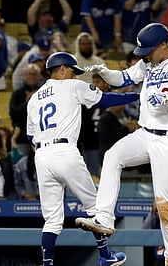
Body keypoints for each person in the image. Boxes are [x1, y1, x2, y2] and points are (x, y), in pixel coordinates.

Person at [75, 23, 168, 266]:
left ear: (163, 45)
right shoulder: (148, 63)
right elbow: (124, 78)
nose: (144, 54)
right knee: (113, 156)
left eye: (149, 49)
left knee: (165, 205)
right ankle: (104, 218)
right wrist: (105, 73)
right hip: (146, 133)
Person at [27, 51, 140, 266]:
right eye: (73, 71)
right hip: (65, 151)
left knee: (51, 219)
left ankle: (47, 263)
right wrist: (136, 96)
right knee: (97, 208)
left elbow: (30, 137)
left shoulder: (34, 99)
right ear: (61, 69)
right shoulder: (72, 86)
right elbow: (105, 99)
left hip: (42, 156)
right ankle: (105, 255)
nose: (76, 76)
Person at [10, 64, 43, 156]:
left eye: (34, 74)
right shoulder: (17, 94)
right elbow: (13, 114)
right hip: (22, 137)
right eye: (29, 74)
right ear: (24, 76)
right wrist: (27, 103)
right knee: (21, 167)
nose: (31, 77)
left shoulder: (44, 92)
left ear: (39, 76)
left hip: (41, 136)